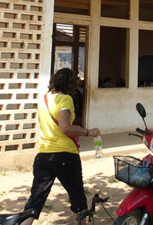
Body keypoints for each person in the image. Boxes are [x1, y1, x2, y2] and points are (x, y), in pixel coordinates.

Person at [21, 68, 101, 224]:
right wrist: (88, 132)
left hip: (43, 155)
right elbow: (65, 128)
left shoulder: (43, 100)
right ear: (70, 84)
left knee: (36, 199)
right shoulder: (65, 100)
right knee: (77, 197)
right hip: (65, 155)